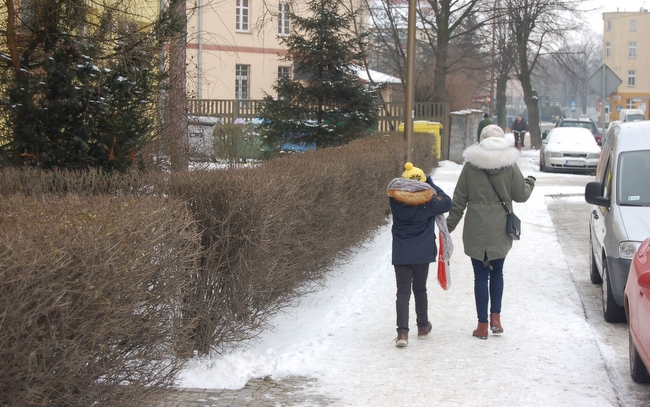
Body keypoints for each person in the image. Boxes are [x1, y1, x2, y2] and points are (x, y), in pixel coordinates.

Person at [445, 125, 535, 340]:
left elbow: (458, 201)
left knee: (480, 276)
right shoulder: (510, 165)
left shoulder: (470, 166)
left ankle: (482, 326)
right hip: (500, 227)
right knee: (497, 271)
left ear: (481, 140)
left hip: (475, 227)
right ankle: (496, 318)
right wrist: (530, 182)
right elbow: (521, 195)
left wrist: (447, 229)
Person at [387, 162, 452, 347]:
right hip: (422, 252)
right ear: (423, 184)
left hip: (401, 252)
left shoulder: (395, 199)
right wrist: (429, 182)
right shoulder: (428, 202)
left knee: (403, 291)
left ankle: (402, 334)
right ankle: (423, 327)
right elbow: (446, 201)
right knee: (420, 288)